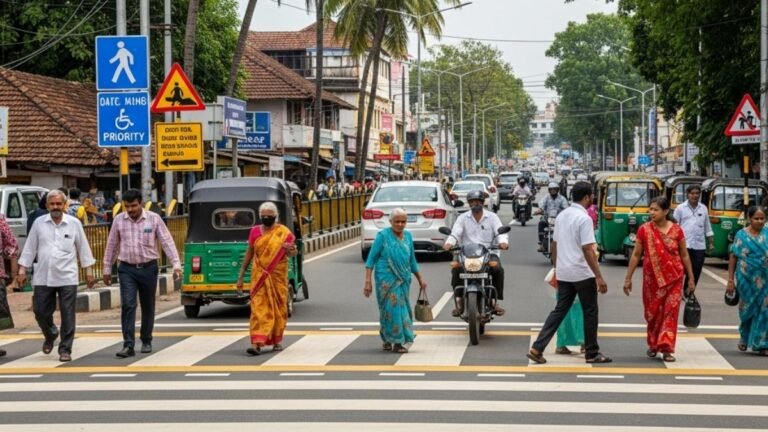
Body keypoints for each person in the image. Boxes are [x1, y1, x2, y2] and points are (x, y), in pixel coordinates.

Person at [527, 181, 612, 364]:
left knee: (559, 310)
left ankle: (537, 347)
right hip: (582, 272)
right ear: (587, 197)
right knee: (590, 311)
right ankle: (592, 352)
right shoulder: (584, 219)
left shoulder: (562, 216)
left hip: (564, 271)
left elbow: (554, 245)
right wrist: (598, 276)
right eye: (591, 196)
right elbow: (588, 249)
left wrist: (558, 268)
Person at [102, 188, 182, 358]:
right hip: (126, 269)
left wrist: (176, 264)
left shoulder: (154, 219)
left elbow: (166, 241)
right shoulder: (119, 220)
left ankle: (146, 339)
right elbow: (112, 245)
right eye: (127, 206)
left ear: (142, 204)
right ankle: (128, 344)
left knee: (148, 305)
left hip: (148, 268)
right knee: (128, 305)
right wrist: (107, 268)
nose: (130, 210)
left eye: (134, 206)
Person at [17, 190, 95, 362]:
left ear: (64, 205)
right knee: (40, 311)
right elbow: (30, 248)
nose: (55, 207)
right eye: (52, 204)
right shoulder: (39, 223)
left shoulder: (74, 223)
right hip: (43, 275)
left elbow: (83, 248)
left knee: (68, 313)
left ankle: (65, 349)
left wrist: (89, 272)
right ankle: (51, 333)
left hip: (68, 276)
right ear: (46, 206)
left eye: (59, 204)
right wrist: (22, 270)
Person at [623, 196, 696, 363]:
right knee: (653, 313)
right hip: (652, 280)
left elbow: (684, 255)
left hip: (675, 278)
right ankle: (653, 344)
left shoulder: (677, 230)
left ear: (665, 211)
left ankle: (666, 347)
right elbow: (636, 254)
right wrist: (628, 278)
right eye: (650, 209)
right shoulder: (644, 230)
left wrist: (690, 278)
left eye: (655, 209)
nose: (652, 213)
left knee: (670, 313)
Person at [236, 202, 298, 355]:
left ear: (275, 217)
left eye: (269, 216)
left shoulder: (283, 233)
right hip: (259, 278)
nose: (266, 219)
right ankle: (257, 343)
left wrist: (292, 250)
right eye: (263, 216)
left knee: (278, 309)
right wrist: (241, 275)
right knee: (258, 310)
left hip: (277, 277)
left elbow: (292, 254)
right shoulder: (255, 232)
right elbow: (249, 253)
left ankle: (277, 341)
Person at [364, 208, 427, 353]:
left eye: (403, 221)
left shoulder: (408, 236)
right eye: (397, 221)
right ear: (390, 221)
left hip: (404, 279)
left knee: (402, 308)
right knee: (389, 309)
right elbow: (371, 260)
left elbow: (412, 260)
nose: (400, 224)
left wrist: (420, 279)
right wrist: (367, 282)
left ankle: (398, 339)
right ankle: (393, 340)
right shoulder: (382, 236)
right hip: (385, 279)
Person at [443, 190, 509, 316]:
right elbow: (456, 232)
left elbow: (501, 232)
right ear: (469, 204)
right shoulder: (462, 218)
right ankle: (460, 300)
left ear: (483, 203)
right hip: (466, 253)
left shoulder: (492, 217)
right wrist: (449, 243)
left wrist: (503, 242)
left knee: (498, 270)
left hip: (488, 252)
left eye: (478, 201)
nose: (475, 204)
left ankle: (495, 301)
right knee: (456, 269)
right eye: (472, 202)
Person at [726, 205, 768, 356]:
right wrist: (730, 280)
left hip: (765, 280)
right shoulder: (741, 235)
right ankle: (744, 338)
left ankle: (762, 344)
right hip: (745, 279)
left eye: (762, 218)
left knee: (764, 311)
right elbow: (733, 256)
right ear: (749, 219)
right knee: (746, 310)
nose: (759, 221)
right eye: (756, 218)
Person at [673, 184, 713, 298]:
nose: (695, 196)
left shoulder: (703, 208)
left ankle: (689, 291)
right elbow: (675, 226)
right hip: (683, 245)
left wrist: (710, 242)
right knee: (681, 270)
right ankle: (677, 291)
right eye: (692, 193)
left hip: (699, 245)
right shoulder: (680, 208)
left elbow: (707, 226)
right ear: (688, 194)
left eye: (697, 193)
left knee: (696, 270)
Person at [536, 182, 569, 252]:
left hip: (559, 219)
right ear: (549, 190)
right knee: (541, 223)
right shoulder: (546, 197)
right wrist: (540, 210)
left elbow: (566, 208)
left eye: (554, 189)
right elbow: (541, 204)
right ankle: (541, 243)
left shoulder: (562, 198)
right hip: (547, 218)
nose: (553, 190)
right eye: (551, 189)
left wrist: (566, 213)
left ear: (557, 190)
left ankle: (566, 244)